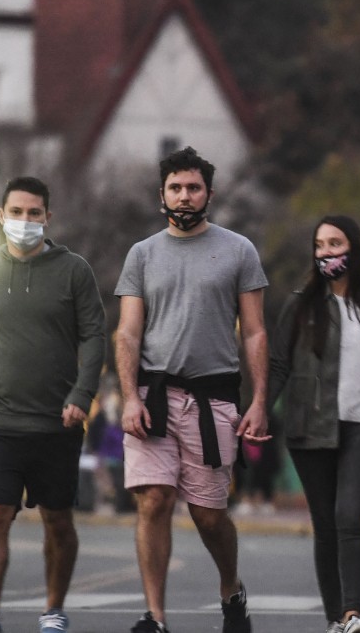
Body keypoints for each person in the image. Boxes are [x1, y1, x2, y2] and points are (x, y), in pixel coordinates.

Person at [115, 146, 271, 633]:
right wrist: (129, 395)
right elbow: (127, 333)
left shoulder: (239, 249)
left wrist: (260, 400)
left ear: (209, 194)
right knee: (154, 500)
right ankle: (155, 617)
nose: (185, 197)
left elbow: (254, 331)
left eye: (193, 188)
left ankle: (230, 588)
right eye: (176, 188)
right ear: (162, 194)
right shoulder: (142, 254)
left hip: (213, 398)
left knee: (209, 516)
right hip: (153, 396)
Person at [0, 175, 106, 633]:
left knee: (57, 520)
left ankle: (53, 610)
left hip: (58, 420)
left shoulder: (74, 270)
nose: (24, 221)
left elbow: (94, 336)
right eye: (16, 212)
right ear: (1, 216)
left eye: (34, 213)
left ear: (48, 218)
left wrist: (82, 396)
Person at [269, 216, 360, 633]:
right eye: (320, 245)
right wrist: (254, 410)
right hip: (310, 427)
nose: (326, 252)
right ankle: (333, 620)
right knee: (325, 523)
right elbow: (278, 365)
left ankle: (352, 613)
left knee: (351, 515)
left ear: (354, 250)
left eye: (335, 243)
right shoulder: (300, 305)